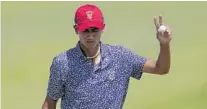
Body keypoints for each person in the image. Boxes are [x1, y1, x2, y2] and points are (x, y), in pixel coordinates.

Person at [42, 4, 172, 109]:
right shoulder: (63, 62)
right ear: (76, 29)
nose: (90, 36)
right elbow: (50, 101)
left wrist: (164, 44)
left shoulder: (120, 57)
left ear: (102, 28)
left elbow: (161, 68)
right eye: (85, 30)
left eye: (94, 30)